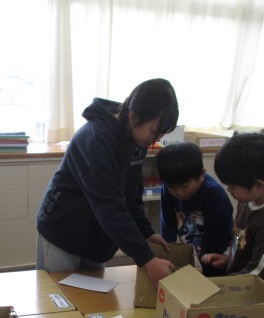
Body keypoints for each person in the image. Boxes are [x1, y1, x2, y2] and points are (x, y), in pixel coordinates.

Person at [36, 78, 179, 286]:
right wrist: (147, 259)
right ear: (133, 116)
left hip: (95, 235)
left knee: (93, 299)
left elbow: (132, 196)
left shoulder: (136, 139)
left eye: (161, 134)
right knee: (60, 298)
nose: (155, 139)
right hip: (63, 231)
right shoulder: (96, 139)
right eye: (154, 131)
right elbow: (110, 206)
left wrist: (146, 232)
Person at [201, 133, 264, 295]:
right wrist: (228, 259)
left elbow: (258, 276)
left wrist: (221, 288)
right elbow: (240, 240)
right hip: (243, 287)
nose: (229, 190)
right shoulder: (249, 199)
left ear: (258, 185)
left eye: (232, 186)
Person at [156, 141, 233, 276]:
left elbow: (217, 237)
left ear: (202, 174)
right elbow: (168, 225)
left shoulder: (214, 195)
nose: (178, 192)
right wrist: (167, 253)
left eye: (184, 186)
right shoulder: (167, 190)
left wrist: (204, 267)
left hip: (215, 256)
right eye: (172, 187)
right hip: (191, 253)